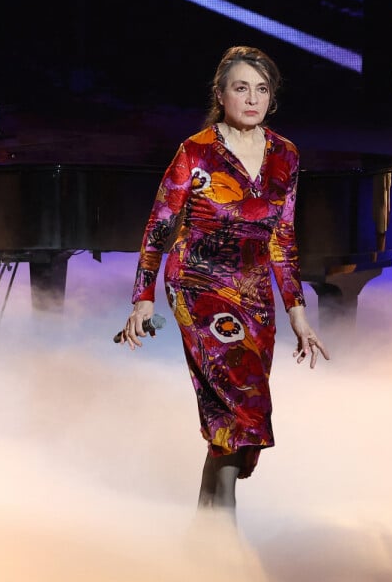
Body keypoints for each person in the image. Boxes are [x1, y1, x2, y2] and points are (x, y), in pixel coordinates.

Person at [118, 45, 329, 517]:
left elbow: (283, 239)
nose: (251, 98)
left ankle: (206, 523)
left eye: (261, 89)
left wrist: (299, 315)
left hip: (253, 293)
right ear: (221, 94)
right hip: (198, 285)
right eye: (240, 88)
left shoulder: (286, 156)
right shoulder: (195, 152)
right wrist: (143, 298)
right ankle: (226, 528)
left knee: (231, 410)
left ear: (271, 99)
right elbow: (159, 226)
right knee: (242, 396)